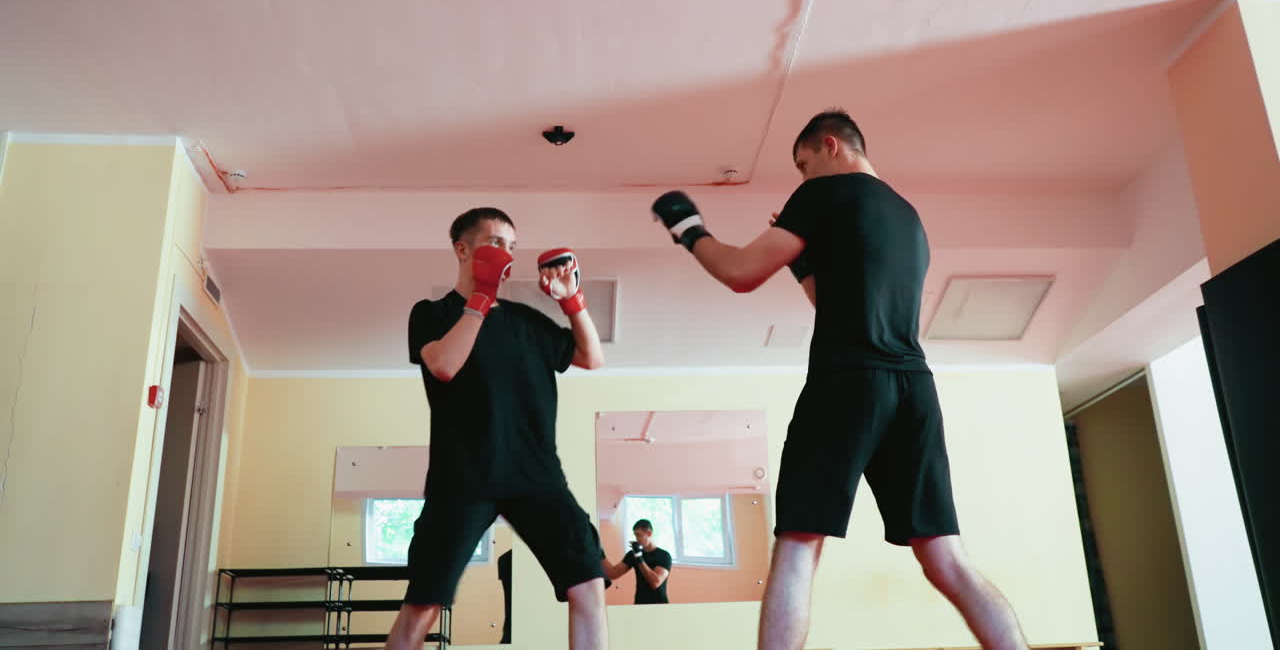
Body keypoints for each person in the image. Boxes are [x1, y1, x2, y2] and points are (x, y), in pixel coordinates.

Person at [650, 110, 1029, 650]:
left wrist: (688, 228)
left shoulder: (823, 195)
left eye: (804, 166)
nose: (803, 180)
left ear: (830, 146)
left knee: (799, 543)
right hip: (914, 386)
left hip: (847, 381)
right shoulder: (909, 216)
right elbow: (830, 302)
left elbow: (738, 273)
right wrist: (803, 259)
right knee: (946, 557)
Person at [387, 208, 610, 650]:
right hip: (462, 477)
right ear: (462, 249)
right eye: (495, 242)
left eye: (511, 245)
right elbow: (445, 366)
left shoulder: (526, 321)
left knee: (588, 583)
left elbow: (591, 357)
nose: (506, 253)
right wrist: (480, 302)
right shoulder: (431, 314)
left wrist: (571, 300)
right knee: (424, 603)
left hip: (537, 475)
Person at [603, 519, 673, 604]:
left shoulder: (664, 556)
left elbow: (655, 582)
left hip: (659, 605)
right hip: (639, 603)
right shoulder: (633, 554)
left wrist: (639, 557)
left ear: (649, 533)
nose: (637, 539)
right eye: (635, 535)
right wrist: (600, 553)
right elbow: (613, 573)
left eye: (639, 535)